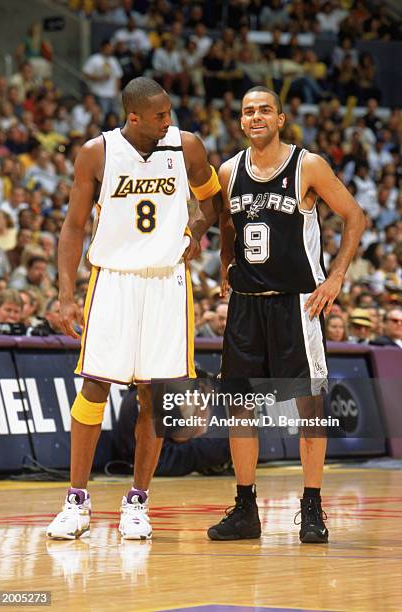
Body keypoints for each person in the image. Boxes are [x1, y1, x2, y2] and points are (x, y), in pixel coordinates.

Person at [46, 77, 221, 541]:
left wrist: (196, 231)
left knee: (154, 398)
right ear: (134, 116)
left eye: (170, 112)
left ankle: (137, 502)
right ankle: (76, 501)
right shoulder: (97, 152)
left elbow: (213, 199)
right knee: (95, 389)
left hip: (167, 282)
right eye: (160, 115)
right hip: (113, 281)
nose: (169, 120)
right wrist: (65, 294)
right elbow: (73, 226)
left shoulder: (187, 147)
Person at [198, 86, 365, 543]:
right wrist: (228, 263)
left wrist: (336, 278)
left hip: (297, 301)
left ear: (280, 118)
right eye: (248, 111)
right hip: (246, 305)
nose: (255, 117)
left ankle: (312, 506)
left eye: (264, 110)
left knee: (308, 407)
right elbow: (224, 222)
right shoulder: (229, 171)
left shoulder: (307, 165)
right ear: (241, 121)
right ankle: (246, 508)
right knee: (240, 408)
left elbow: (355, 216)